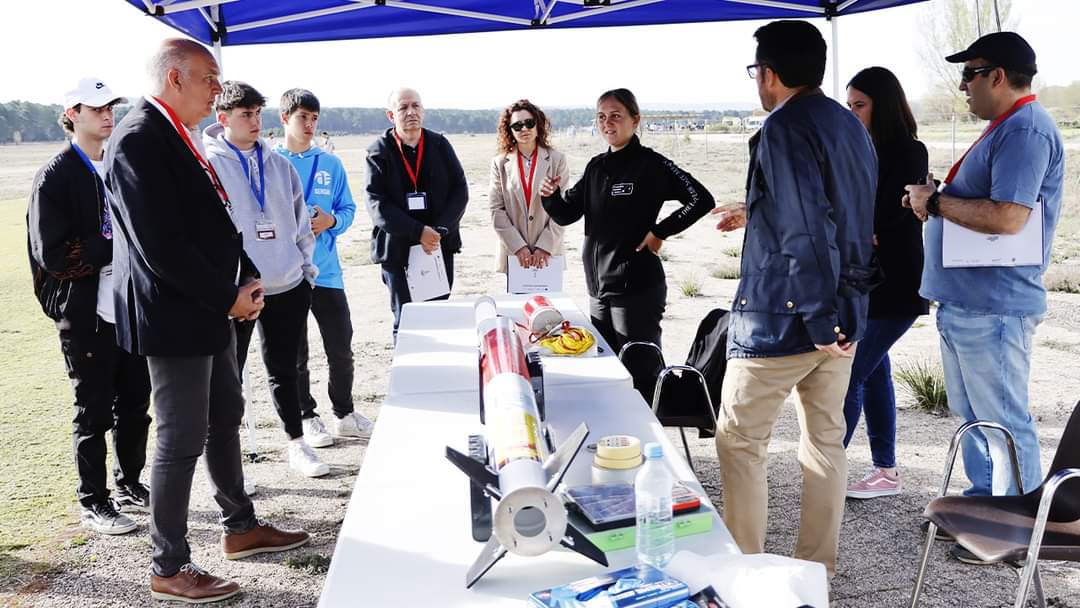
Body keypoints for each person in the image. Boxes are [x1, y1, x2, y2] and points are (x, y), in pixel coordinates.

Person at [107, 39, 309, 603]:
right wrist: (227, 295)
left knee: (226, 413)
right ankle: (168, 565)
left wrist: (242, 278)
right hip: (176, 313)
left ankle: (240, 528)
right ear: (174, 78)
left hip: (209, 305)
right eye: (210, 80)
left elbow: (213, 222)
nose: (218, 91)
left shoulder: (181, 134)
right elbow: (160, 245)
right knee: (180, 435)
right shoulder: (139, 138)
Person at [711, 21, 877, 576]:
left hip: (787, 317)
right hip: (846, 309)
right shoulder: (850, 125)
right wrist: (754, 211)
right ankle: (817, 569)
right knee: (826, 443)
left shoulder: (781, 128)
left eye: (757, 71)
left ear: (771, 74)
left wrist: (817, 316)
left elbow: (807, 227)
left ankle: (745, 572)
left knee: (739, 441)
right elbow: (837, 211)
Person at [904, 32, 1064, 562]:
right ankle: (981, 510)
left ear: (997, 76)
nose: (963, 86)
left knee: (1002, 418)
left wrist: (936, 202)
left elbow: (1008, 216)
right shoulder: (1010, 127)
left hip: (994, 305)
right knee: (975, 416)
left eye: (969, 74)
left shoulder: (1025, 131)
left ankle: (1017, 532)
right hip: (972, 303)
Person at [27, 77, 151, 536]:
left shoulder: (119, 165)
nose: (106, 114)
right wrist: (110, 244)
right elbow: (53, 255)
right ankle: (93, 501)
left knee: (136, 403)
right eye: (95, 107)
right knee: (92, 410)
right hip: (84, 313)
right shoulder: (56, 175)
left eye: (110, 106)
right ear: (72, 114)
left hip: (129, 309)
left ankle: (130, 483)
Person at [203, 81, 329, 478]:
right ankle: (230, 462)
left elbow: (300, 225)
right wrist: (226, 285)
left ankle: (296, 443)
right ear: (223, 119)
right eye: (245, 114)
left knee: (284, 369)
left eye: (258, 113)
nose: (254, 121)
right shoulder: (209, 165)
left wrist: (305, 271)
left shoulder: (280, 165)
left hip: (288, 285)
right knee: (229, 378)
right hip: (237, 292)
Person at [539, 88, 714, 353]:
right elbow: (566, 214)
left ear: (635, 120)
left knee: (640, 369)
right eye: (601, 116)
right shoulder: (596, 167)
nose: (607, 123)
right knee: (609, 368)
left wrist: (660, 231)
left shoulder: (651, 165)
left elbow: (701, 199)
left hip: (635, 288)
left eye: (615, 115)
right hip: (597, 289)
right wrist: (550, 197)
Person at [842, 67, 929, 500]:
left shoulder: (909, 150)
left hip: (897, 280)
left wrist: (860, 225)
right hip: (865, 278)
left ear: (883, 105)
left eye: (860, 105)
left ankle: (827, 465)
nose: (853, 113)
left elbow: (890, 214)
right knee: (874, 373)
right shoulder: (859, 148)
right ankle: (886, 471)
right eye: (849, 105)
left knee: (851, 373)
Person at [274, 88, 373, 448]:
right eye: (303, 117)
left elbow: (347, 209)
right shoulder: (271, 162)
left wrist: (330, 221)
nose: (310, 124)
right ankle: (307, 416)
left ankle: (344, 413)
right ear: (285, 119)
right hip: (288, 276)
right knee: (296, 352)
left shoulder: (329, 163)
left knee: (341, 347)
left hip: (327, 272)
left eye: (315, 118)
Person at [365, 87, 469, 336]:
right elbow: (376, 203)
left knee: (436, 316)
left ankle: (436, 373)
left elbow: (460, 190)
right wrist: (417, 231)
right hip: (397, 249)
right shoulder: (378, 150)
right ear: (391, 115)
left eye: (416, 106)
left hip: (437, 246)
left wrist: (439, 230)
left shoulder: (440, 144)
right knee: (407, 320)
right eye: (403, 107)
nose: (411, 112)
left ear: (423, 110)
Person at [489, 99, 569, 273]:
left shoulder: (557, 159)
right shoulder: (499, 163)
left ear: (538, 125)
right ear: (510, 131)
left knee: (548, 302)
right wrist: (519, 247)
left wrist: (545, 245)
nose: (524, 129)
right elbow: (497, 210)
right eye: (517, 126)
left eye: (529, 123)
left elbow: (564, 209)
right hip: (514, 254)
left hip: (549, 253)